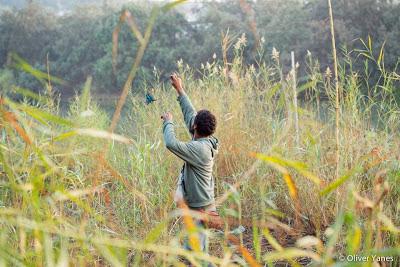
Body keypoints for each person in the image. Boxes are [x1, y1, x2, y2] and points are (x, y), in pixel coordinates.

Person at [161, 73, 219, 253]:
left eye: (193, 123)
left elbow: (171, 144)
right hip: (200, 202)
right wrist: (179, 89)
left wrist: (168, 123)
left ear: (195, 127)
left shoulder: (199, 150)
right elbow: (190, 114)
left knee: (196, 252)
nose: (191, 121)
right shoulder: (204, 140)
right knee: (197, 249)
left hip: (199, 207)